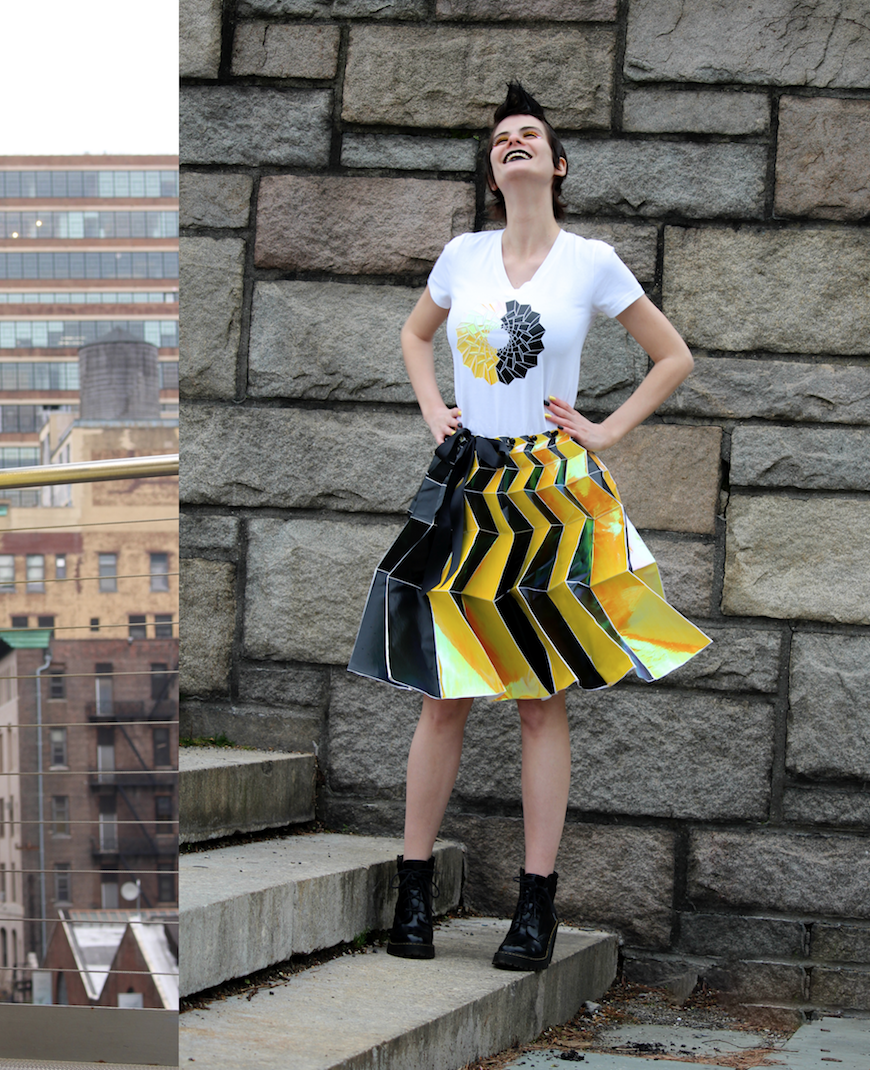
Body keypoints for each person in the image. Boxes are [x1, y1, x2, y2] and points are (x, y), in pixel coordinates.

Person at [347, 83, 711, 972]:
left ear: (556, 165)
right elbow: (413, 337)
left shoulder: (591, 261)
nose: (513, 143)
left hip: (549, 488)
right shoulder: (461, 255)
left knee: (541, 699)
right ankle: (415, 892)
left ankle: (534, 908)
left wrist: (607, 430)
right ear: (492, 167)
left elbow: (673, 357)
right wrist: (435, 408)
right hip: (469, 484)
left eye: (530, 136)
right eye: (501, 137)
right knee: (446, 694)